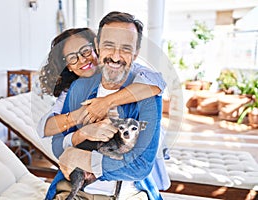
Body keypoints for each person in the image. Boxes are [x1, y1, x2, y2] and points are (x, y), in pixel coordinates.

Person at [43, 11, 170, 200]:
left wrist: (79, 158)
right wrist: (79, 136)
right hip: (76, 191)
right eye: (109, 46)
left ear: (136, 53)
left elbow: (140, 166)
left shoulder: (148, 94)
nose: (116, 56)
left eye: (126, 48)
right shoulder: (77, 89)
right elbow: (56, 143)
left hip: (129, 195)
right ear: (97, 47)